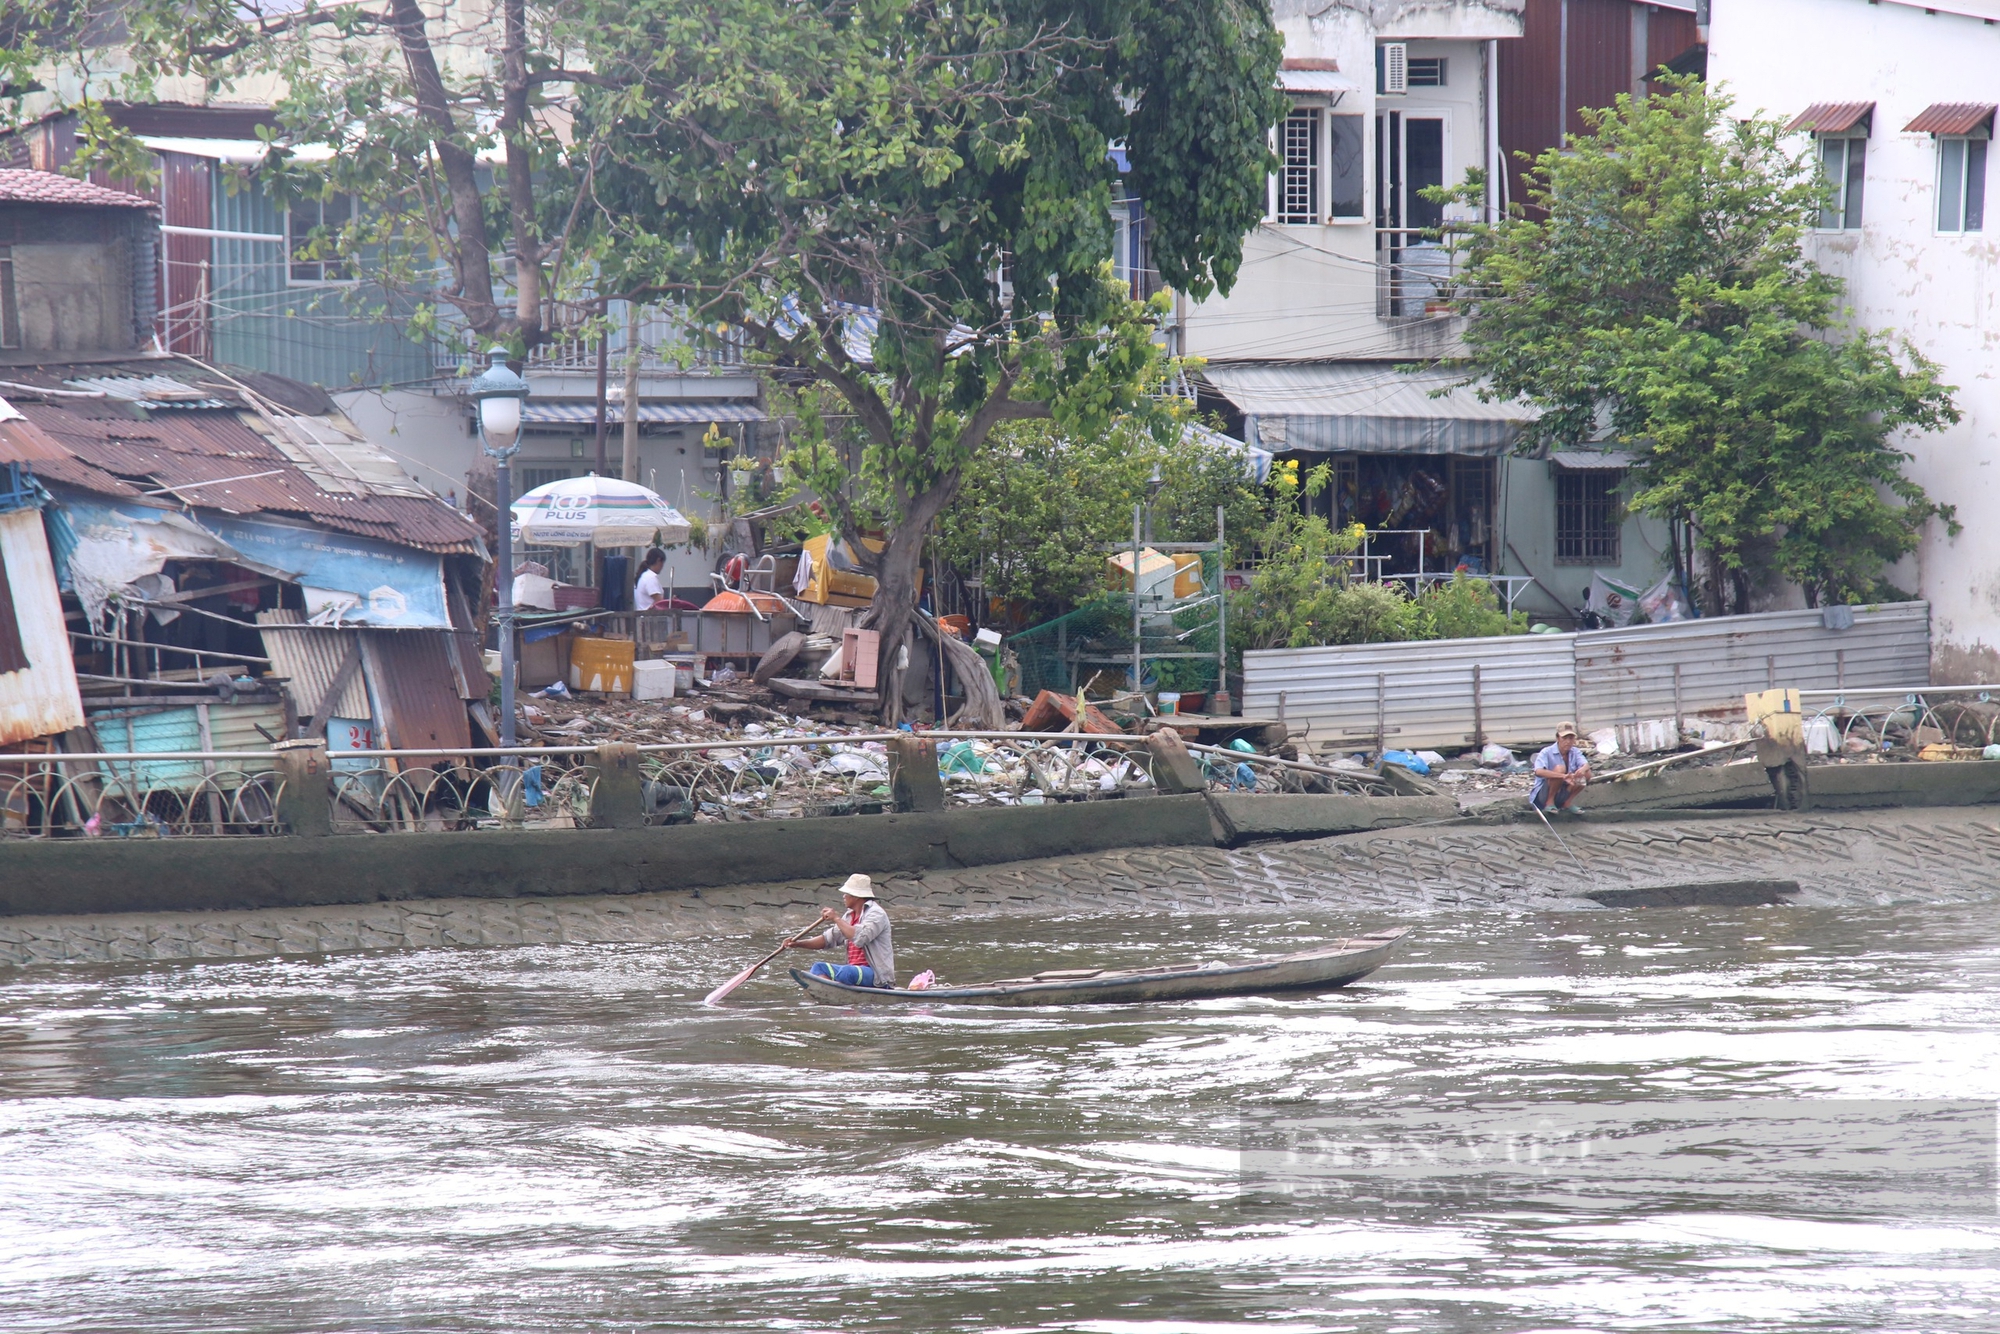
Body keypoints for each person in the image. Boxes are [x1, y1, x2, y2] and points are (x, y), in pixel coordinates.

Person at [788, 873, 895, 987]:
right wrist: (798, 944)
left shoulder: (876, 913)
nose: (843, 896)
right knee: (818, 968)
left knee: (846, 972)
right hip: (854, 970)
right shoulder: (849, 916)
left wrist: (836, 918)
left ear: (856, 895)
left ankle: (837, 991)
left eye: (846, 894)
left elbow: (860, 938)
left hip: (875, 974)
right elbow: (827, 939)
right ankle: (830, 992)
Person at [1530, 721, 1591, 811]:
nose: (1568, 742)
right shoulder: (1546, 752)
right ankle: (1549, 802)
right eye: (1565, 738)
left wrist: (1582, 769)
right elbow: (1538, 771)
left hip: (1563, 791)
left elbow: (1586, 765)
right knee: (1560, 768)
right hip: (1544, 795)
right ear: (1558, 738)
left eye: (1571, 738)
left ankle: (1567, 803)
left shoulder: (1575, 751)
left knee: (1587, 773)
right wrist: (1563, 776)